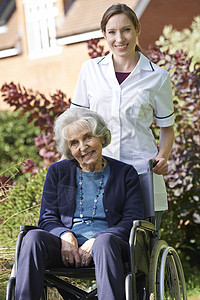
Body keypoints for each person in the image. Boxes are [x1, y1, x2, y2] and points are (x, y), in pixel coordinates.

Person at [15, 108, 144, 300]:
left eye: (88, 137)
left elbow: (131, 220)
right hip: (64, 249)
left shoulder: (125, 173)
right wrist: (65, 235)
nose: (83, 147)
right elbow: (48, 218)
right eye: (74, 143)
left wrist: (99, 239)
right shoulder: (57, 172)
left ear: (101, 137)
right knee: (32, 239)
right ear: (68, 149)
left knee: (104, 243)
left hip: (110, 248)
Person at [70, 3, 175, 230]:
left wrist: (163, 156)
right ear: (104, 35)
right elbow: (74, 122)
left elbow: (167, 128)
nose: (120, 38)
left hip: (141, 174)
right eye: (112, 32)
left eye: (126, 30)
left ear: (137, 29)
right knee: (96, 238)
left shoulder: (158, 77)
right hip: (96, 173)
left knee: (139, 248)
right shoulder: (90, 70)